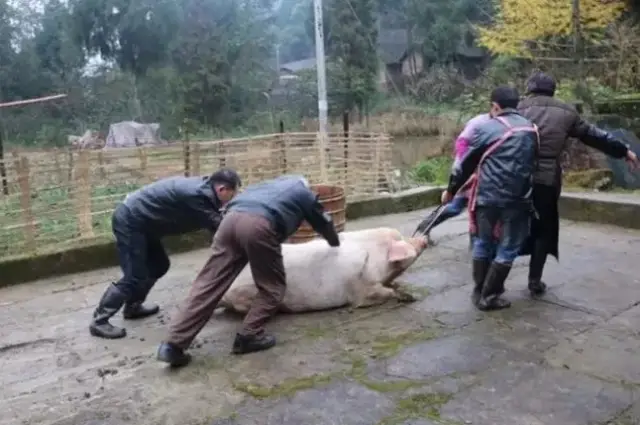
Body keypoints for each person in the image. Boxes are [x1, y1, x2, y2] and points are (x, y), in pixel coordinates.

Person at [156, 175, 341, 368]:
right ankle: (249, 336)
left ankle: (172, 345)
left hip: (229, 222)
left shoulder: (266, 185)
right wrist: (336, 242)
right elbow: (324, 222)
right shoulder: (304, 192)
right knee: (272, 288)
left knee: (208, 285)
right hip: (258, 226)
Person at [517, 71, 639, 296]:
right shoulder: (566, 112)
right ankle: (534, 280)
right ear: (553, 89)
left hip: (513, 176)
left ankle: (491, 280)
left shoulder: (516, 108)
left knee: (506, 223)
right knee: (544, 229)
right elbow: (594, 135)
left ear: (530, 88)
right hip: (546, 179)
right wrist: (624, 150)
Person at [89, 169, 242, 340]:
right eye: (234, 193)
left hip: (146, 223)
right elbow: (219, 226)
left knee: (159, 265)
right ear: (222, 189)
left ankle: (133, 306)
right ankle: (99, 321)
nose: (234, 197)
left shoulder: (204, 191)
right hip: (131, 221)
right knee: (134, 276)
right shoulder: (197, 196)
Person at [441, 85, 539, 311]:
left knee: (483, 241)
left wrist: (451, 191)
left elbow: (464, 165)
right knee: (508, 246)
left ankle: (480, 290)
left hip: (486, 198)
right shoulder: (532, 130)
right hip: (518, 199)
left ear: (495, 106)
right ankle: (490, 294)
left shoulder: (486, 129)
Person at [415, 113, 492, 238]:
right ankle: (426, 225)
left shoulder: (500, 122)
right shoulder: (479, 122)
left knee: (474, 209)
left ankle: (477, 244)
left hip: (481, 172)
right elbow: (462, 142)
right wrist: (466, 167)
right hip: (467, 171)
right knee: (456, 206)